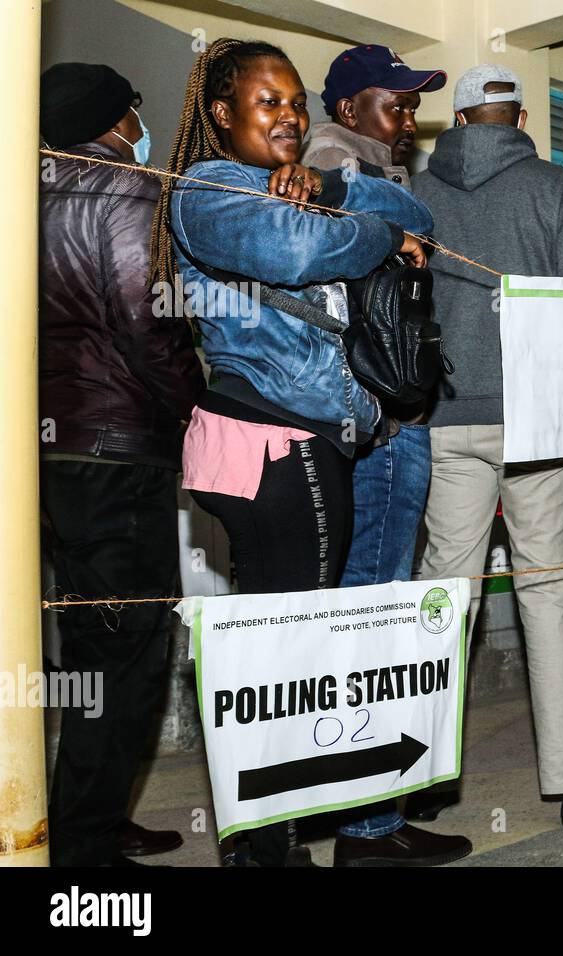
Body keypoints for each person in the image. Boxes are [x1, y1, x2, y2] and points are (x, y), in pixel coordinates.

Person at [155, 39, 456, 867]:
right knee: (284, 661)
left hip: (306, 438)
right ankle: (262, 851)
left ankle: (273, 843)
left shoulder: (303, 184)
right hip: (273, 440)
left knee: (286, 657)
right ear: (221, 114)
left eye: (295, 102)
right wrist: (371, 232)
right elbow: (299, 251)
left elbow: (423, 218)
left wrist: (330, 187)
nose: (288, 115)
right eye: (267, 102)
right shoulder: (210, 188)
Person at [412, 66, 563, 826]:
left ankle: (422, 776)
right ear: (520, 113)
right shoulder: (553, 186)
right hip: (535, 420)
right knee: (548, 592)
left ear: (457, 115)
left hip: (444, 415)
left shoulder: (420, 190)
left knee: (447, 594)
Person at [299, 43, 467, 864]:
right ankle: (365, 830)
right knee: (373, 610)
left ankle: (353, 811)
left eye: (411, 105)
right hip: (383, 428)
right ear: (347, 108)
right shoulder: (337, 162)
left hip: (377, 421)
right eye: (393, 104)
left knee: (361, 610)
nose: (408, 120)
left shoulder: (363, 172)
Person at [38, 63, 203, 867]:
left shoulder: (22, 190)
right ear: (117, 117)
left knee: (80, 647)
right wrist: (193, 408)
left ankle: (84, 817)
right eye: (137, 109)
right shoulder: (127, 188)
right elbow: (150, 322)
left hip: (48, 455)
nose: (142, 122)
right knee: (130, 653)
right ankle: (83, 847)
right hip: (117, 448)